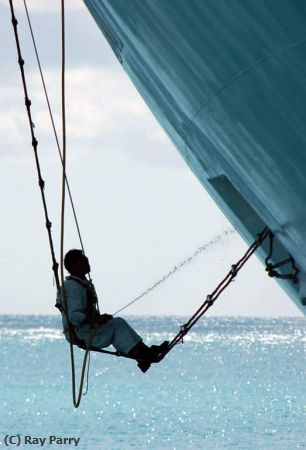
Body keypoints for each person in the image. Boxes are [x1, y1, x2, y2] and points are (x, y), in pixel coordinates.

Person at [56, 249, 168, 372]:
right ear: (72, 267)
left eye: (86, 261)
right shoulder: (72, 287)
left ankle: (145, 353)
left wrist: (99, 319)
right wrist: (96, 319)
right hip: (81, 333)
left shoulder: (82, 283)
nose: (87, 264)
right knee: (117, 325)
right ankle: (142, 356)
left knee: (119, 323)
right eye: (82, 263)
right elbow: (73, 316)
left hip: (88, 329)